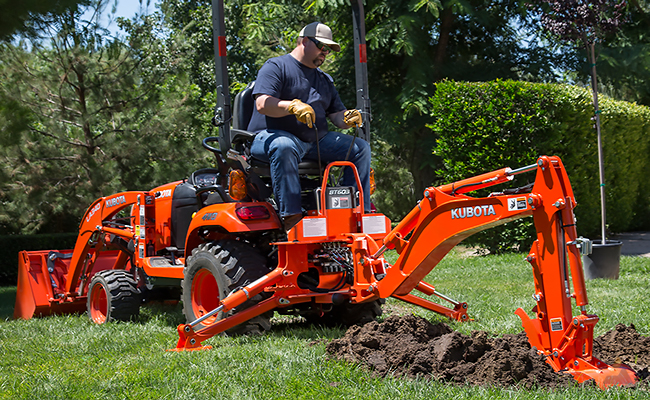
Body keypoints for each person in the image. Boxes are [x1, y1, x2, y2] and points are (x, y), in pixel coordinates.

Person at [248, 22, 371, 230]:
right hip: (269, 138)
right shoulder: (276, 67)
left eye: (327, 50)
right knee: (284, 145)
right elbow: (262, 104)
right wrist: (291, 106)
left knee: (360, 149)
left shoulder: (324, 80)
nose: (324, 54)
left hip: (315, 142)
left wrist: (348, 117)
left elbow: (336, 117)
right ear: (304, 41)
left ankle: (355, 213)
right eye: (321, 47)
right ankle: (291, 219)